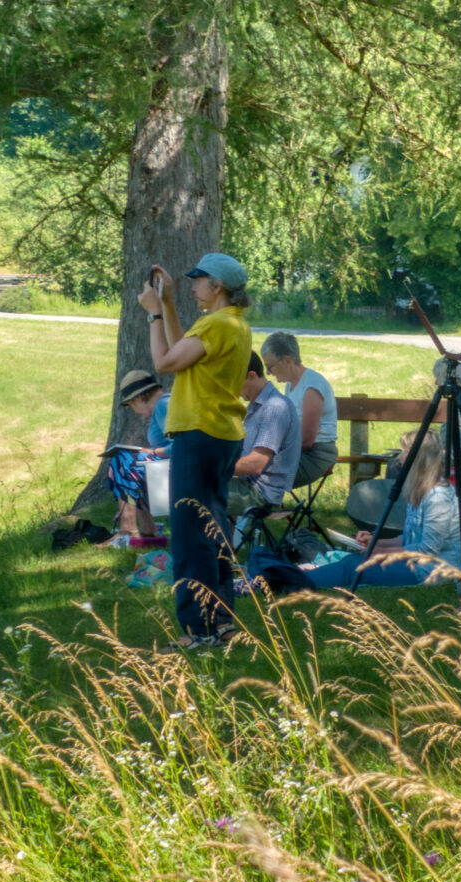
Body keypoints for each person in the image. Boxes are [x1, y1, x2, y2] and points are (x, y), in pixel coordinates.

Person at [137, 252, 252, 650]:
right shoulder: (232, 323)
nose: (193, 287)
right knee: (213, 527)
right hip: (221, 434)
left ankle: (198, 630)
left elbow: (165, 362)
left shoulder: (217, 323)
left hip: (199, 433)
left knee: (189, 534)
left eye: (198, 280)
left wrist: (154, 314)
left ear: (217, 286)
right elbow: (182, 351)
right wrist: (167, 303)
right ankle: (221, 622)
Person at [294, 430, 461, 589]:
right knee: (353, 560)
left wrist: (382, 553)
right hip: (417, 565)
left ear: (417, 460)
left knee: (354, 566)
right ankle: (298, 579)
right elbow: (408, 538)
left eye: (404, 452)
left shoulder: (437, 498)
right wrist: (376, 543)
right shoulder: (421, 491)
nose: (399, 458)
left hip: (432, 571)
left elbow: (427, 550)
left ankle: (296, 583)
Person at [228, 352, 303, 547]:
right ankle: (222, 552)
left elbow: (256, 464)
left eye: (235, 383)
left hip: (260, 493)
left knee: (196, 491)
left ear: (251, 376)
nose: (233, 391)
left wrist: (212, 466)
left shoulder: (274, 408)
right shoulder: (257, 406)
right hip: (249, 485)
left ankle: (216, 554)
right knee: (196, 485)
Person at [261, 331, 339, 487]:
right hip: (298, 451)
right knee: (252, 467)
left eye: (269, 366)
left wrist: (271, 453)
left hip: (316, 455)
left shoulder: (312, 385)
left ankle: (258, 503)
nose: (268, 372)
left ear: (287, 360)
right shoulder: (290, 385)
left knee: (260, 473)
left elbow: (306, 440)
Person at [102, 370, 171, 545]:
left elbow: (181, 445)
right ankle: (147, 530)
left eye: (132, 406)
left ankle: (129, 530)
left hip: (177, 470)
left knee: (122, 460)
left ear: (139, 398)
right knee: (129, 460)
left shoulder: (163, 406)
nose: (136, 411)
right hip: (172, 467)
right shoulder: (164, 405)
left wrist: (153, 452)